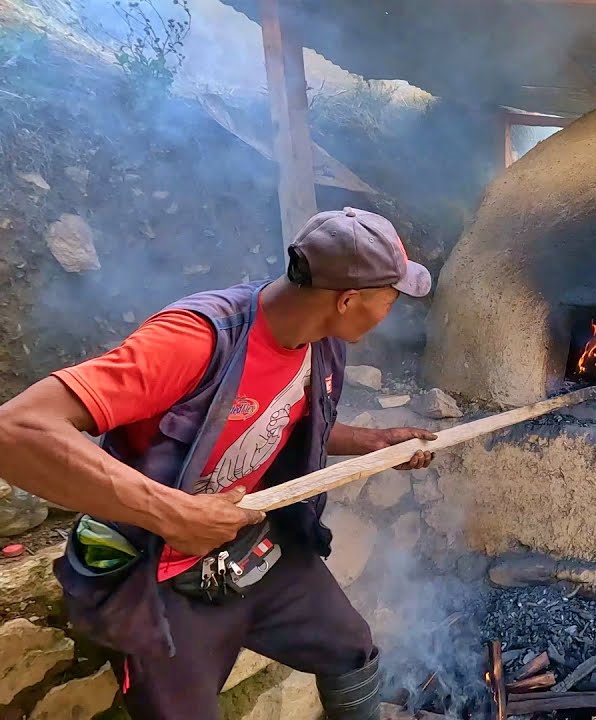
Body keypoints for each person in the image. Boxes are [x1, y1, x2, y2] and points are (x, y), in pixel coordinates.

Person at [0, 207, 438, 720]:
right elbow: (17, 430)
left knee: (350, 647)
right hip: (155, 571)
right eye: (391, 297)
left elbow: (278, 424)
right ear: (348, 300)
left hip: (245, 547)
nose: (393, 308)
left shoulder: (318, 342)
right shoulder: (195, 340)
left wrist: (375, 441)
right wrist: (174, 515)